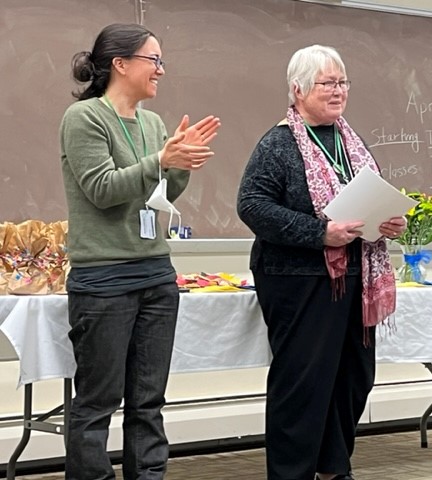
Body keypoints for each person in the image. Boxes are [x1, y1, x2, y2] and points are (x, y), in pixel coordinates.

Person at [237, 45, 406, 480]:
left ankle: (332, 469)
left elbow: (367, 196)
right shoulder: (278, 143)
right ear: (298, 90)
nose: (338, 91)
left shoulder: (350, 140)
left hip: (355, 276)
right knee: (303, 385)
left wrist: (384, 222)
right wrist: (319, 233)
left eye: (343, 82)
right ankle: (292, 474)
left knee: (354, 378)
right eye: (327, 83)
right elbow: (252, 205)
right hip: (298, 279)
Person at [60, 23, 220, 479]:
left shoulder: (153, 124)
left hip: (155, 273)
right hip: (104, 278)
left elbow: (162, 192)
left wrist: (181, 164)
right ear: (121, 64)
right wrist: (161, 161)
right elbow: (102, 189)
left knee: (148, 401)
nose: (161, 71)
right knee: (97, 402)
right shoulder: (85, 117)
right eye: (154, 60)